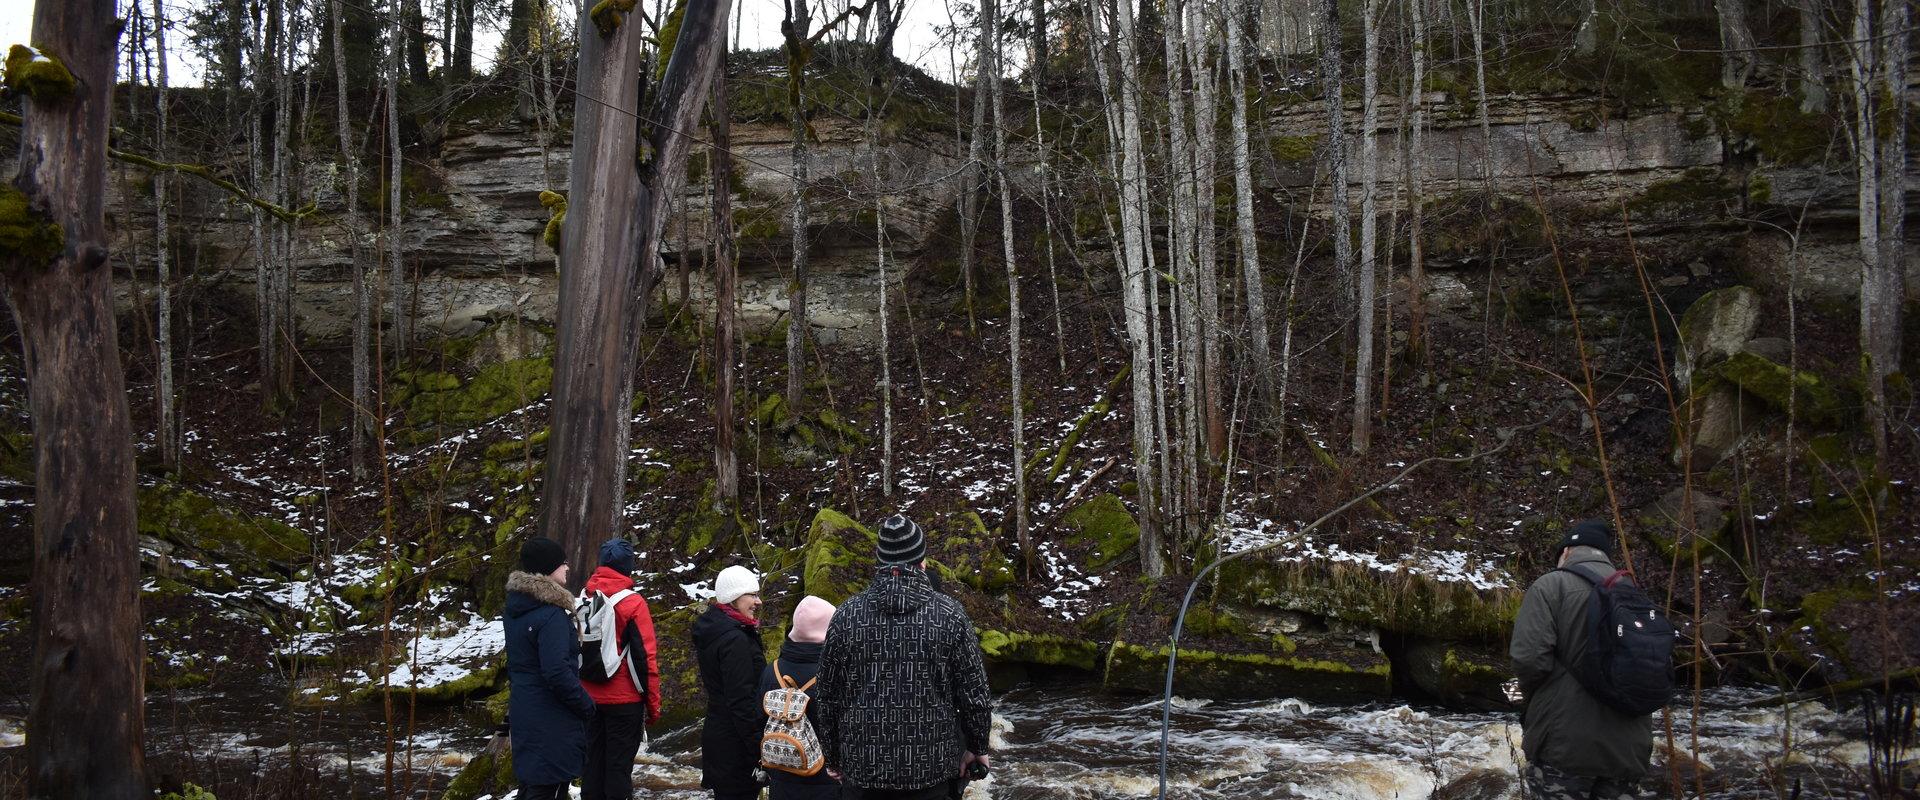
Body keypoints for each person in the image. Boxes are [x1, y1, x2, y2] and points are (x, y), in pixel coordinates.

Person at [816, 515, 993, 800]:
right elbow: (975, 694)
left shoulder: (846, 616)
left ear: (880, 562)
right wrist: (977, 747)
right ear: (922, 561)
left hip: (863, 770)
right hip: (932, 771)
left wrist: (832, 756)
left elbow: (828, 695)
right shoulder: (949, 614)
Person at [1510, 519, 1654, 800]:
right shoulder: (1635, 593)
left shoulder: (1550, 586)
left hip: (1565, 746)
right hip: (1628, 750)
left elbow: (1529, 660)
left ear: (1566, 552)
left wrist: (1528, 701)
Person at [503, 536, 596, 800]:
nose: (568, 568)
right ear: (548, 568)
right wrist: (586, 705)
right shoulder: (551, 615)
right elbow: (556, 673)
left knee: (533, 788)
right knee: (549, 789)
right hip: (551, 722)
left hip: (526, 713)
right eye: (562, 563)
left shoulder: (516, 608)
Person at [580, 537, 663, 800]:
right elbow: (645, 658)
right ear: (628, 567)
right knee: (618, 768)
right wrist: (653, 705)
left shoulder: (583, 596)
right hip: (624, 699)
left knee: (592, 764)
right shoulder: (634, 603)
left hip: (588, 697)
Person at [692, 564, 767, 800]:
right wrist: (759, 748)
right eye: (752, 595)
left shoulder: (717, 628)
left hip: (721, 737)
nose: (759, 601)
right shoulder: (735, 639)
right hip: (736, 748)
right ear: (733, 598)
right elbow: (741, 700)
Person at [756, 595, 839, 800]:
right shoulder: (835, 673)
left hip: (782, 778)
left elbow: (757, 721)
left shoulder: (771, 670)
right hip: (826, 780)